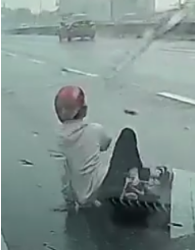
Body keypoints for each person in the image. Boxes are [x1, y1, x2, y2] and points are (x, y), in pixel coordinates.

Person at [53, 85, 172, 223]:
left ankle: (138, 180)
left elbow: (65, 175)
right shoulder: (94, 130)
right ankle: (140, 183)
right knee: (127, 136)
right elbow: (106, 143)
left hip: (83, 198)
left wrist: (73, 202)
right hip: (104, 188)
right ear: (84, 110)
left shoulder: (59, 140)